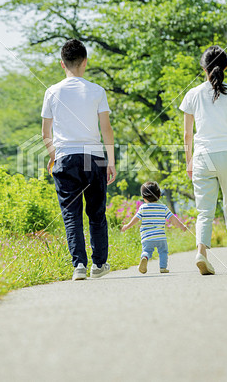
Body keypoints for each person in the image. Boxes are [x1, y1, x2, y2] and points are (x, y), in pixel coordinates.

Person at [41, 39, 116, 281]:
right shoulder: (97, 91)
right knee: (96, 213)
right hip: (93, 158)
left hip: (65, 157)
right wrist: (111, 161)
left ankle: (79, 266)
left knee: (71, 214)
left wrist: (55, 158)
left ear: (62, 64)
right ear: (85, 62)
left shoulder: (51, 91)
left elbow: (45, 134)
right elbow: (107, 129)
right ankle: (99, 265)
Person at [179, 45, 227, 275]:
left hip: (203, 157)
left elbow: (187, 134)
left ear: (203, 67)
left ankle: (201, 253)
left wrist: (189, 160)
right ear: (226, 67)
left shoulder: (192, 94)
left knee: (205, 211)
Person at [121, 181, 186, 274]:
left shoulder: (143, 208)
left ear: (143, 197)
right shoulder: (163, 207)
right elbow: (173, 219)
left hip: (147, 238)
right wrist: (182, 226)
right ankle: (163, 267)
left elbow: (136, 219)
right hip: (160, 237)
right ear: (159, 196)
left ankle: (145, 257)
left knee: (147, 251)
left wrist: (127, 226)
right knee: (163, 252)